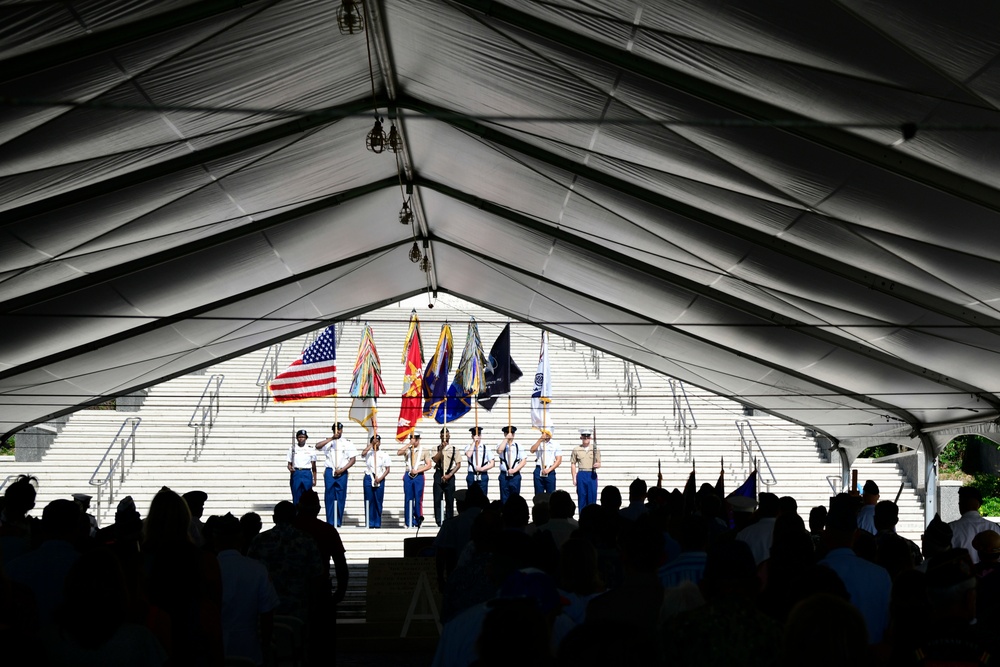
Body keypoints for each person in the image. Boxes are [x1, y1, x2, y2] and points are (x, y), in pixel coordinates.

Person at [315, 422, 356, 527]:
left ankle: (338, 521)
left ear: (342, 430)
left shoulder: (347, 443)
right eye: (336, 429)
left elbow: (353, 459)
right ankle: (330, 521)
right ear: (333, 430)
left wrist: (343, 470)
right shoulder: (329, 442)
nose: (338, 431)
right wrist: (331, 438)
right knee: (329, 496)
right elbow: (317, 446)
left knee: (340, 497)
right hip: (330, 470)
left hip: (342, 471)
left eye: (340, 429)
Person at [949, 485, 1000, 564]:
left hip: (962, 575)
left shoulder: (950, 529)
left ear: (961, 504)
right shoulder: (995, 528)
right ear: (979, 505)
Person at [397, 431, 433, 527]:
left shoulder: (424, 450)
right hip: (408, 475)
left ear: (418, 439)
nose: (413, 441)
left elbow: (429, 465)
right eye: (411, 439)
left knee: (418, 498)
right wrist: (409, 444)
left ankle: (418, 519)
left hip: (419, 475)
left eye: (415, 439)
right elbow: (398, 452)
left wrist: (417, 471)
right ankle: (408, 521)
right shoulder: (408, 449)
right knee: (408, 498)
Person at [432, 427, 461, 526]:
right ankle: (439, 521)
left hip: (450, 474)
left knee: (450, 499)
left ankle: (449, 520)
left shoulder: (454, 449)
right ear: (440, 436)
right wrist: (441, 450)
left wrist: (450, 474)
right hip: (439, 473)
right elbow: (435, 459)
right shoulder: (435, 448)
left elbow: (458, 464)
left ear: (449, 436)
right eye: (443, 435)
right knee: (437, 498)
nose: (445, 437)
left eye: (447, 435)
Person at [361, 434, 391, 528]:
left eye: (378, 441)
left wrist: (380, 478)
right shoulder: (369, 453)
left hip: (380, 477)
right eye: (374, 441)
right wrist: (370, 445)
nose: (376, 443)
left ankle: (377, 522)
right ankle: (369, 522)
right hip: (369, 476)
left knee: (378, 500)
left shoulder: (384, 454)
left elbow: (387, 469)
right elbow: (363, 454)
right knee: (369, 500)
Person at [570, 428, 601, 510]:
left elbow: (599, 462)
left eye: (587, 437)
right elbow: (573, 463)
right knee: (582, 497)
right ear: (581, 438)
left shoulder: (595, 449)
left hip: (592, 474)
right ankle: (582, 519)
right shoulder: (576, 449)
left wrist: (597, 465)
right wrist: (574, 477)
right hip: (581, 474)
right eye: (584, 437)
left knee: (592, 497)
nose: (586, 439)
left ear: (590, 438)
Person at [496, 425, 526, 503]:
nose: (510, 435)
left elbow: (523, 461)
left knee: (515, 499)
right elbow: (499, 451)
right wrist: (506, 439)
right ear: (504, 434)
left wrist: (515, 470)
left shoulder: (518, 446)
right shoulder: (501, 444)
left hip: (515, 476)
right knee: (504, 498)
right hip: (504, 475)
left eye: (512, 433)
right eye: (508, 433)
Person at [286, 429, 317, 504]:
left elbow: (314, 466)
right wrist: (290, 468)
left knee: (308, 496)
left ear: (306, 438)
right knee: (296, 496)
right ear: (297, 438)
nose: (301, 438)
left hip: (306, 473)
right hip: (296, 473)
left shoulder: (311, 449)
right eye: (299, 437)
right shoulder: (292, 448)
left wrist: (314, 478)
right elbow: (289, 463)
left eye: (303, 437)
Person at [465, 426, 495, 499]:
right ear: (472, 436)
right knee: (471, 498)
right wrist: (474, 443)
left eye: (478, 435)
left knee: (483, 497)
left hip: (483, 475)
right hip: (472, 475)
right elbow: (469, 454)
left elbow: (492, 463)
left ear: (481, 436)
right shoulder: (468, 447)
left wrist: (482, 469)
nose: (477, 437)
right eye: (475, 435)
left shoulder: (486, 448)